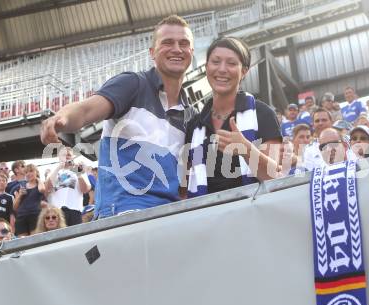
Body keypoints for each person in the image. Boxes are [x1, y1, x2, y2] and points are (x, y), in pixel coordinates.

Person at [40, 15, 196, 218]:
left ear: (191, 52)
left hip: (170, 215)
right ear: (152, 52)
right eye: (167, 42)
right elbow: (86, 110)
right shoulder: (132, 84)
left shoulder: (191, 116)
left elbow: (185, 181)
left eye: (184, 43)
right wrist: (60, 119)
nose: (177, 49)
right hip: (124, 212)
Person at [185, 37, 282, 197]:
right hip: (207, 217)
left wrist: (246, 149)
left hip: (254, 213)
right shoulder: (194, 126)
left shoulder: (262, 114)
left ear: (244, 71)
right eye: (215, 62)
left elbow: (274, 177)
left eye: (231, 63)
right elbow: (185, 184)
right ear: (206, 67)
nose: (222, 69)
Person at [45, 147, 90, 226]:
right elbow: (47, 188)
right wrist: (59, 167)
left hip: (75, 210)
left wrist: (78, 173)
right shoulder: (52, 171)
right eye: (63, 155)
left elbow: (85, 189)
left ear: (73, 157)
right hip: (57, 212)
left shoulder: (79, 170)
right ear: (59, 157)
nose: (66, 156)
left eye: (69, 155)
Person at [13, 164, 45, 236]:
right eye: (26, 172)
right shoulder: (21, 186)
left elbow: (42, 189)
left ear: (36, 172)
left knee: (36, 240)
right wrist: (20, 195)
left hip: (35, 215)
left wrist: (37, 179)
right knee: (23, 243)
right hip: (21, 217)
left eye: (31, 171)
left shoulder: (39, 184)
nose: (28, 174)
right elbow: (14, 207)